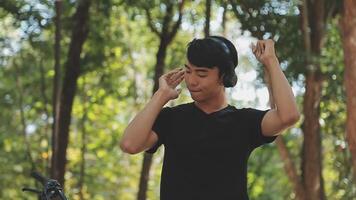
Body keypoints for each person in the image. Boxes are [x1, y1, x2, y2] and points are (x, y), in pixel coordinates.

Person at [120, 36, 300, 200]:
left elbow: (288, 116)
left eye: (202, 74)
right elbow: (130, 144)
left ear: (224, 76)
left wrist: (271, 62)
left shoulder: (244, 122)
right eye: (188, 71)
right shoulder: (172, 118)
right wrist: (160, 95)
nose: (191, 81)